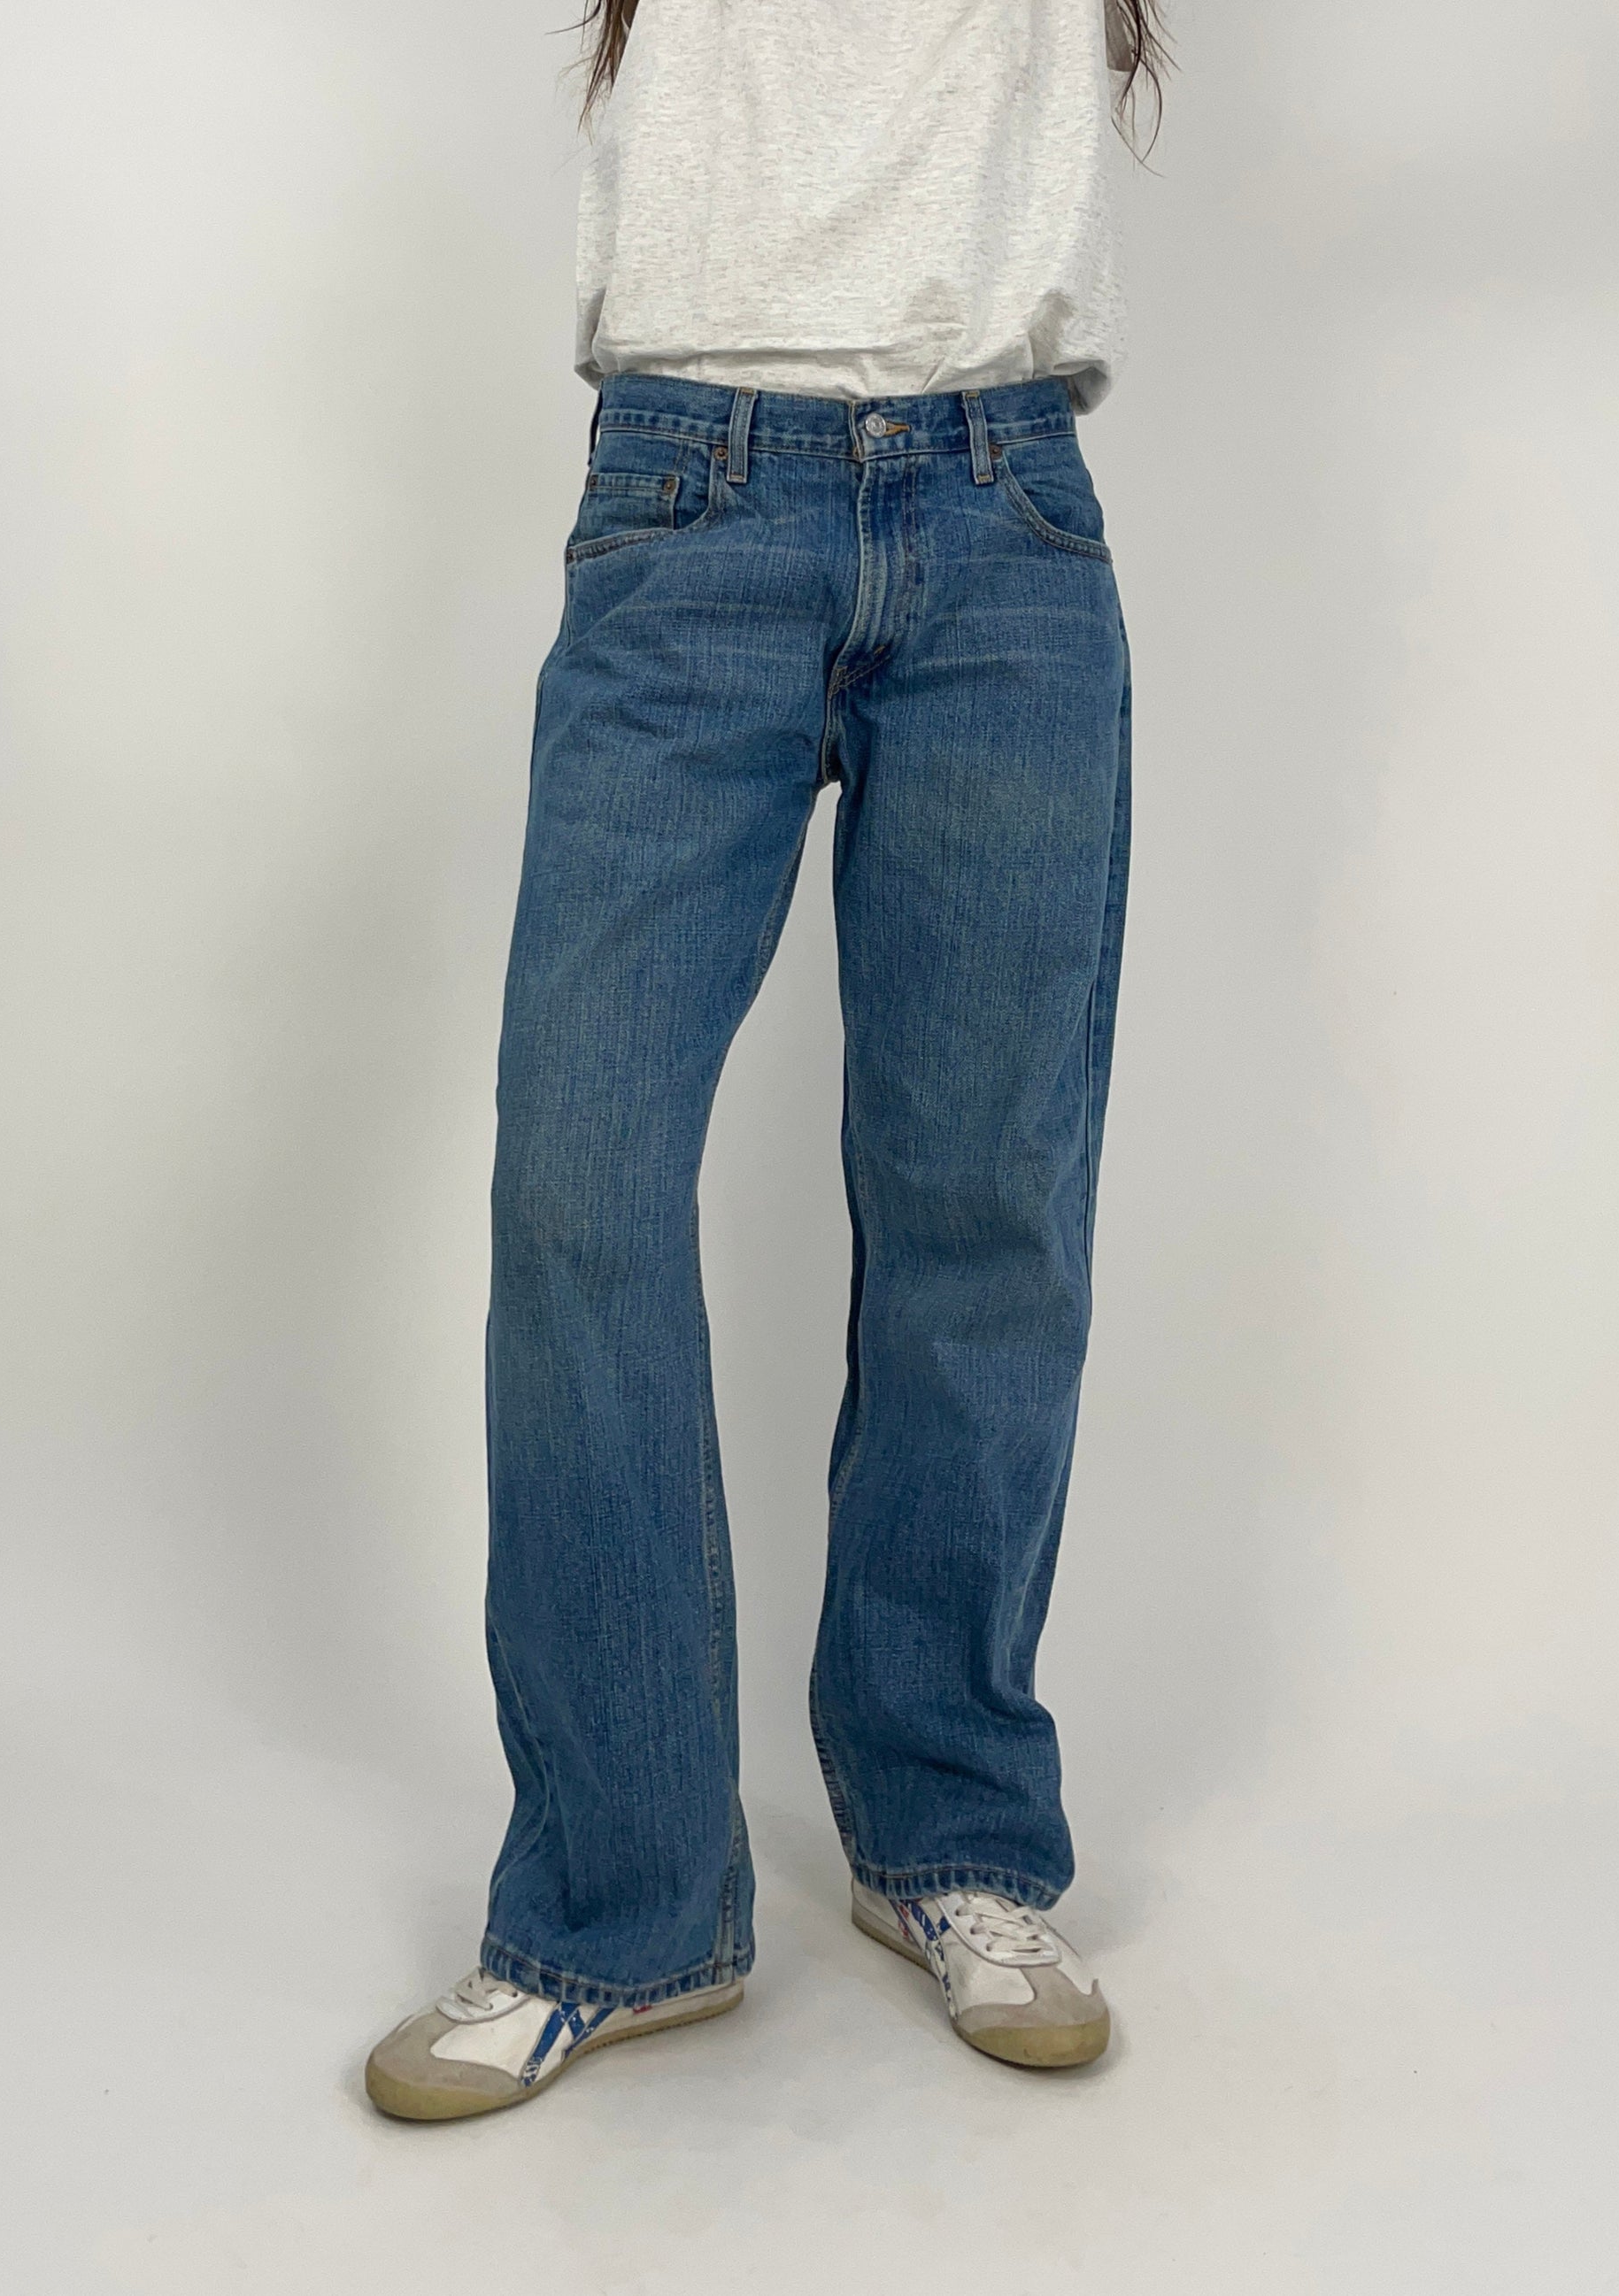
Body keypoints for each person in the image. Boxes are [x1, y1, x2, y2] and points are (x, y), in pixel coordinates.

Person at [364, 0, 1168, 2118]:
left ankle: (953, 1830)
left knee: (983, 1196)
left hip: (1004, 513)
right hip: (689, 501)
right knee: (582, 1181)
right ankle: (617, 1906)